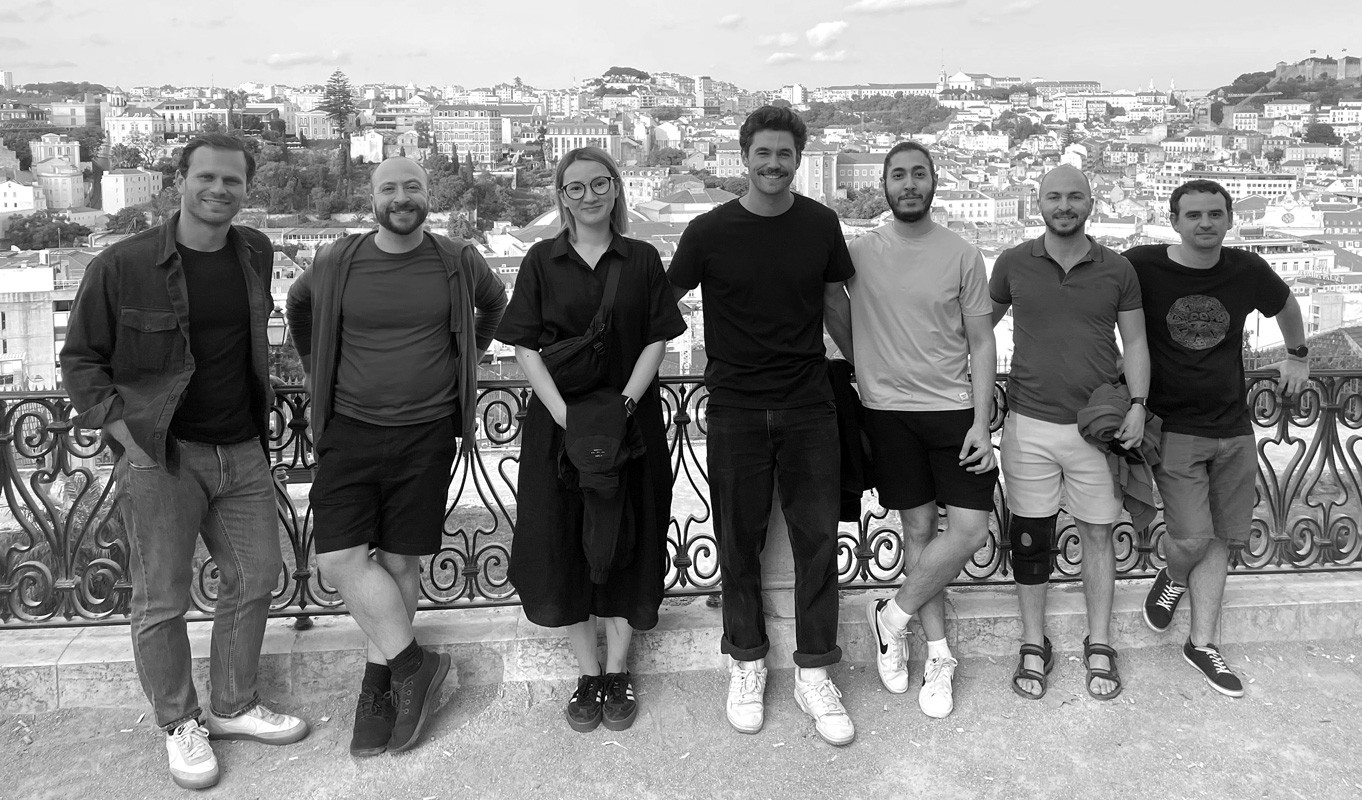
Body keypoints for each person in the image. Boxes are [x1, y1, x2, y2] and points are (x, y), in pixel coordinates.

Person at [61, 133, 308, 790]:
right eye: (207, 177)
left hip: (242, 449)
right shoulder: (124, 265)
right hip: (163, 454)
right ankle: (179, 723)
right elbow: (81, 361)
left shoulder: (254, 251)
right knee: (161, 599)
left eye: (232, 180)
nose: (220, 190)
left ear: (245, 187)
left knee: (257, 576)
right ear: (180, 179)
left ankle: (232, 704)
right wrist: (128, 441)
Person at [285, 156, 507, 756]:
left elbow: (496, 305)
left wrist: (469, 357)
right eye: (390, 188)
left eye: (413, 187)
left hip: (427, 430)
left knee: (402, 562)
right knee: (339, 559)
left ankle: (378, 687)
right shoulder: (338, 260)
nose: (401, 197)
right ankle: (415, 666)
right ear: (372, 198)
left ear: (429, 195)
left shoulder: (457, 260)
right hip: (349, 428)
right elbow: (298, 309)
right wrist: (317, 368)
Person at [667, 106, 857, 746]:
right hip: (735, 406)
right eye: (763, 153)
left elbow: (836, 305)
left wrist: (870, 374)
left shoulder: (821, 224)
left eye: (785, 154)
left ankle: (815, 673)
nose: (774, 164)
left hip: (808, 404)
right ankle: (746, 662)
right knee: (737, 540)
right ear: (743, 156)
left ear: (798, 159)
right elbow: (662, 303)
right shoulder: (708, 230)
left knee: (817, 546)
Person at [494, 146, 685, 733]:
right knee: (566, 539)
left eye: (598, 184)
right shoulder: (539, 261)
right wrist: (567, 416)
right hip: (560, 430)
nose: (588, 196)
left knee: (630, 532)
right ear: (561, 196)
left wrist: (624, 402)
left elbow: (658, 336)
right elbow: (524, 346)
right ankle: (587, 672)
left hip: (631, 424)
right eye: (574, 188)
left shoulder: (643, 258)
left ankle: (619, 669)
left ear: (616, 188)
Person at [824, 141, 997, 718]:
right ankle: (937, 657)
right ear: (885, 184)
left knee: (970, 530)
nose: (909, 185)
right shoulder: (860, 252)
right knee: (919, 532)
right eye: (898, 176)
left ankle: (890, 616)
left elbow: (981, 339)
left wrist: (980, 420)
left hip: (952, 410)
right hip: (888, 412)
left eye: (918, 175)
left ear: (934, 181)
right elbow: (831, 302)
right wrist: (863, 361)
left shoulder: (963, 253)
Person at [1125, 179, 1308, 697]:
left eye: (1214, 214)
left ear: (1229, 219)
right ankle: (1173, 576)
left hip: (1234, 427)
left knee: (1222, 538)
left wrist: (1299, 353)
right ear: (1174, 220)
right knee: (1189, 539)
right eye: (1193, 215)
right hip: (1175, 426)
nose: (1205, 223)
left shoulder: (1246, 270)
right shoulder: (1143, 264)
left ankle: (1202, 644)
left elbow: (1287, 305)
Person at [989, 165, 1149, 702]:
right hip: (1028, 423)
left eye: (1074, 196)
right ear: (1038, 202)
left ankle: (1098, 641)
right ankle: (1033, 643)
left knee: (1099, 534)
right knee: (1030, 541)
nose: (1064, 205)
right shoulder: (1012, 263)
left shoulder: (1118, 269)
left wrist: (1140, 405)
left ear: (1091, 203)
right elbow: (975, 330)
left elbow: (1137, 344)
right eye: (1054, 196)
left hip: (1094, 429)